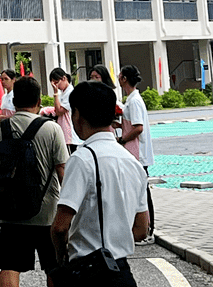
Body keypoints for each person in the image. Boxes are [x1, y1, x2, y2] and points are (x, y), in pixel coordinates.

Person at [52, 81, 149, 287]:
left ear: (77, 115)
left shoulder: (82, 159)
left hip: (87, 273)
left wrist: (61, 259)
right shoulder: (133, 163)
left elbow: (60, 227)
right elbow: (141, 229)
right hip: (121, 273)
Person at [0, 76, 68, 287]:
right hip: (46, 212)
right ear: (39, 101)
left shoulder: (0, 129)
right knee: (54, 267)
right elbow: (62, 170)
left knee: (9, 266)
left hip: (10, 209)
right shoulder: (51, 129)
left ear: (13, 101)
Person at [118, 65, 155, 246]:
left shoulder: (134, 101)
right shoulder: (131, 100)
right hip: (133, 151)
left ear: (124, 78)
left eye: (120, 75)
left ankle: (148, 230)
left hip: (137, 152)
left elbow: (138, 127)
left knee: (143, 193)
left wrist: (123, 139)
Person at [50, 68, 81, 153]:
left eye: (56, 83)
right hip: (65, 132)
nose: (55, 86)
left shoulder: (70, 92)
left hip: (70, 135)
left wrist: (55, 93)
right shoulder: (64, 92)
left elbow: (59, 111)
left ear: (63, 78)